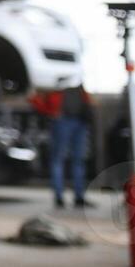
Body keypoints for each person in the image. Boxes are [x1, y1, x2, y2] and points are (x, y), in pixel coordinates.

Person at [33, 79, 97, 208]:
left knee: (58, 160)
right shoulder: (76, 81)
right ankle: (78, 196)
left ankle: (59, 197)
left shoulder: (53, 81)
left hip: (63, 121)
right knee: (76, 160)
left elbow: (36, 100)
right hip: (78, 122)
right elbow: (88, 101)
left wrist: (51, 113)